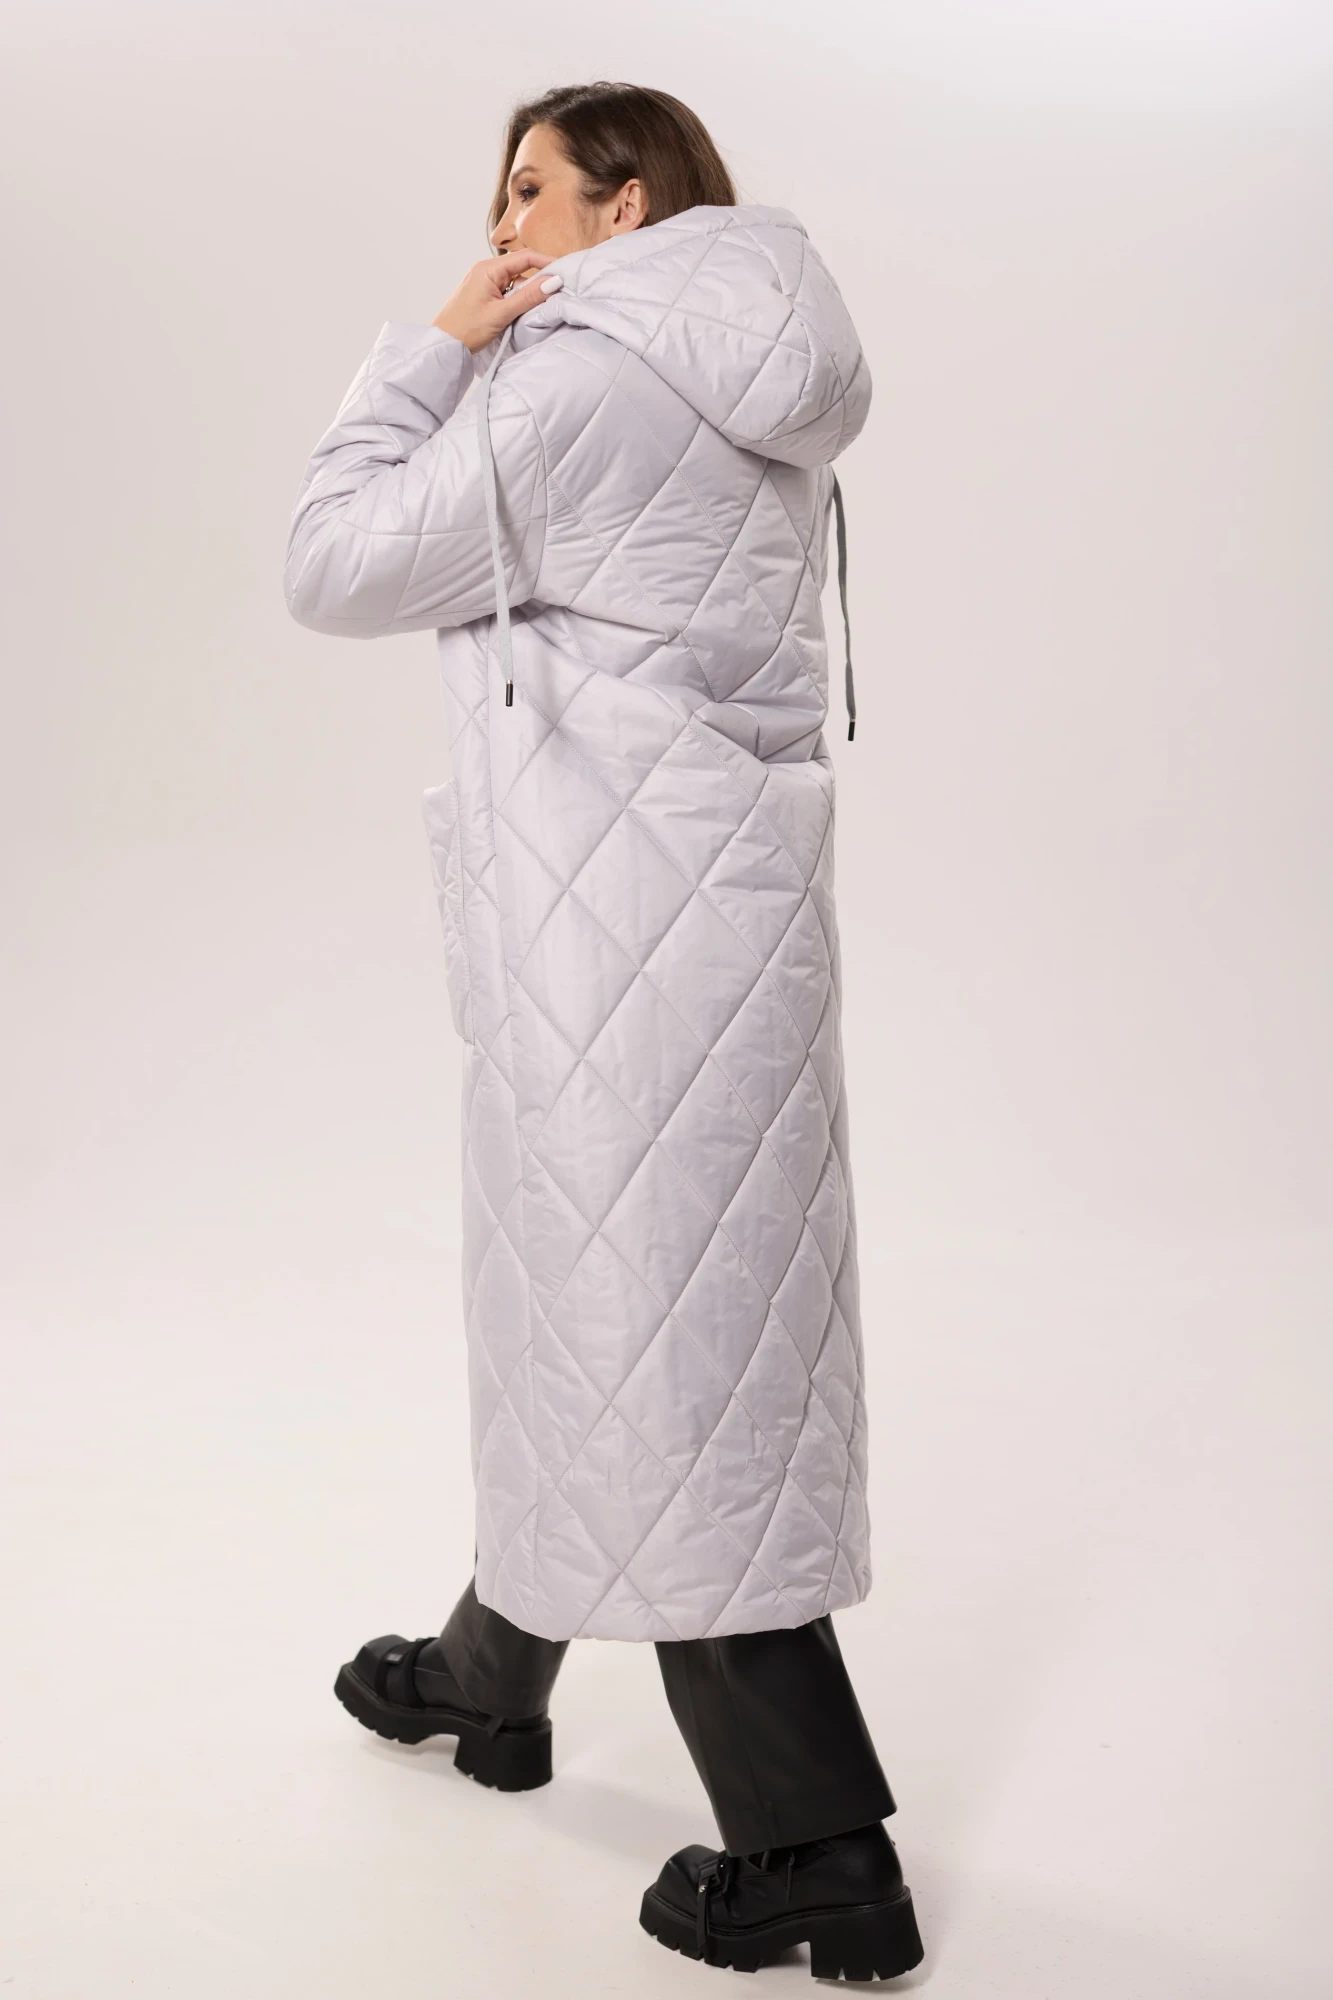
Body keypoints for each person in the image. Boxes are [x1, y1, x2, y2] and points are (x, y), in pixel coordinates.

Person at [284, 80, 922, 1983]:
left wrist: (434, 347)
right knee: (622, 1327)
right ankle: (491, 1678)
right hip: (719, 912)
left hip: (609, 934)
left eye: (529, 191)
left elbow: (331, 561)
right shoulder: (749, 373)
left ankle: (821, 1856)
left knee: (665, 1360)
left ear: (625, 207)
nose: (501, 230)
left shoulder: (572, 387)